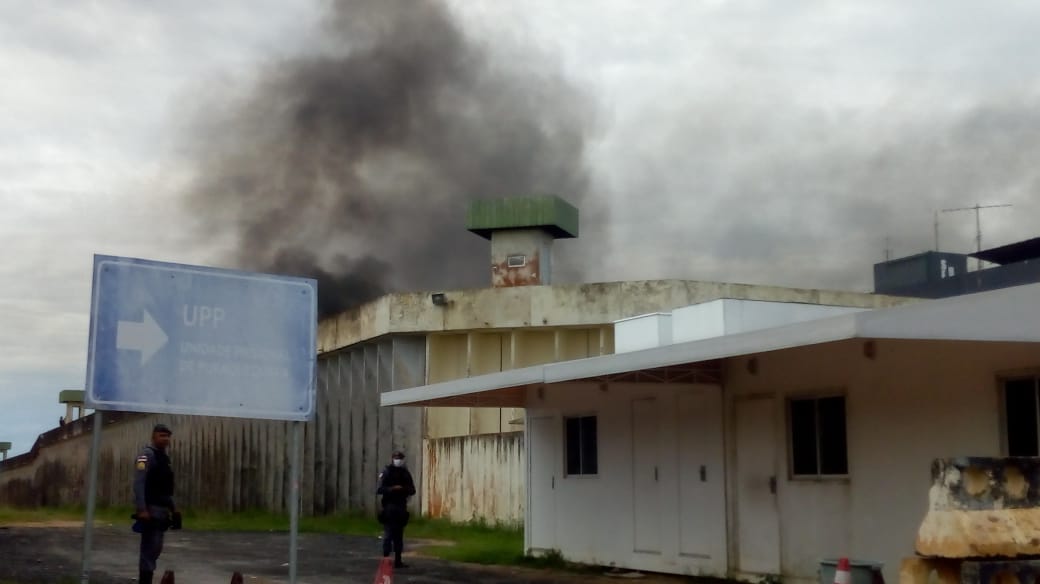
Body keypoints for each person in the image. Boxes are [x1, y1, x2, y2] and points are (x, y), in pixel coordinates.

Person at [132, 423, 180, 584]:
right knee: (149, 550)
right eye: (162, 435)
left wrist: (174, 509)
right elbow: (139, 483)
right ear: (153, 437)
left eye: (167, 436)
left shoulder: (164, 458)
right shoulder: (146, 455)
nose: (165, 439)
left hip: (162, 510)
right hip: (151, 510)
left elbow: (165, 489)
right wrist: (141, 509)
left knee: (155, 549)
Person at [376, 450, 416, 569]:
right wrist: (392, 489)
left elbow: (412, 490)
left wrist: (402, 489)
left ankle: (398, 561)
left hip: (400, 507)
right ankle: (386, 560)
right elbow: (379, 489)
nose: (398, 460)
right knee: (388, 534)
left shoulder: (405, 473)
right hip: (389, 507)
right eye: (396, 457)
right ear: (392, 458)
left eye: (400, 458)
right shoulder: (387, 472)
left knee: (399, 536)